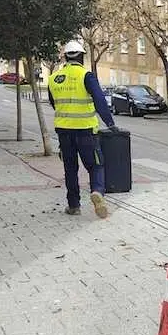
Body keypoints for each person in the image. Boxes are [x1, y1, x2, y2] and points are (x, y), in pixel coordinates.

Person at [47, 40, 119, 218]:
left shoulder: (53, 78)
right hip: (86, 131)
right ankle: (97, 192)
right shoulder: (86, 75)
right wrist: (110, 123)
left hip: (63, 131)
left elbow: (53, 103)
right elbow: (100, 101)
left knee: (70, 169)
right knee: (96, 166)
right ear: (81, 56)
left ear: (65, 57)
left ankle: (73, 206)